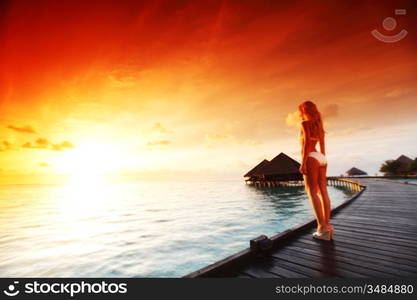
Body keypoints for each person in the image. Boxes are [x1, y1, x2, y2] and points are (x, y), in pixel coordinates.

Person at [298, 101, 333, 240]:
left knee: (311, 191)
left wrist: (303, 163)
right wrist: (324, 160)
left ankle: (321, 227)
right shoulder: (319, 125)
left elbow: (306, 143)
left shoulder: (305, 123)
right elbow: (322, 144)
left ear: (304, 111)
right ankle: (327, 226)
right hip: (321, 157)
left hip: (311, 156)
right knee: (323, 191)